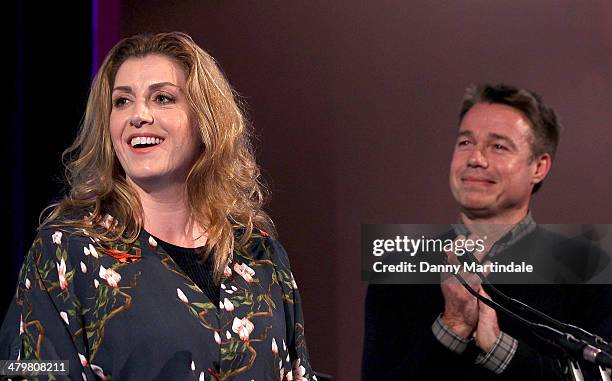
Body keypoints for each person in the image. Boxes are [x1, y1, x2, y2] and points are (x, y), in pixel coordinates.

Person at [0, 32, 315, 381]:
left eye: (162, 98)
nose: (138, 115)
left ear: (204, 120)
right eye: (122, 102)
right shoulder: (67, 251)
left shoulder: (259, 253)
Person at [362, 84, 612, 380]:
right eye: (465, 142)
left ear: (539, 167)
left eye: (498, 146)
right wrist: (452, 326)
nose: (475, 159)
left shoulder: (587, 267)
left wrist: (498, 347)